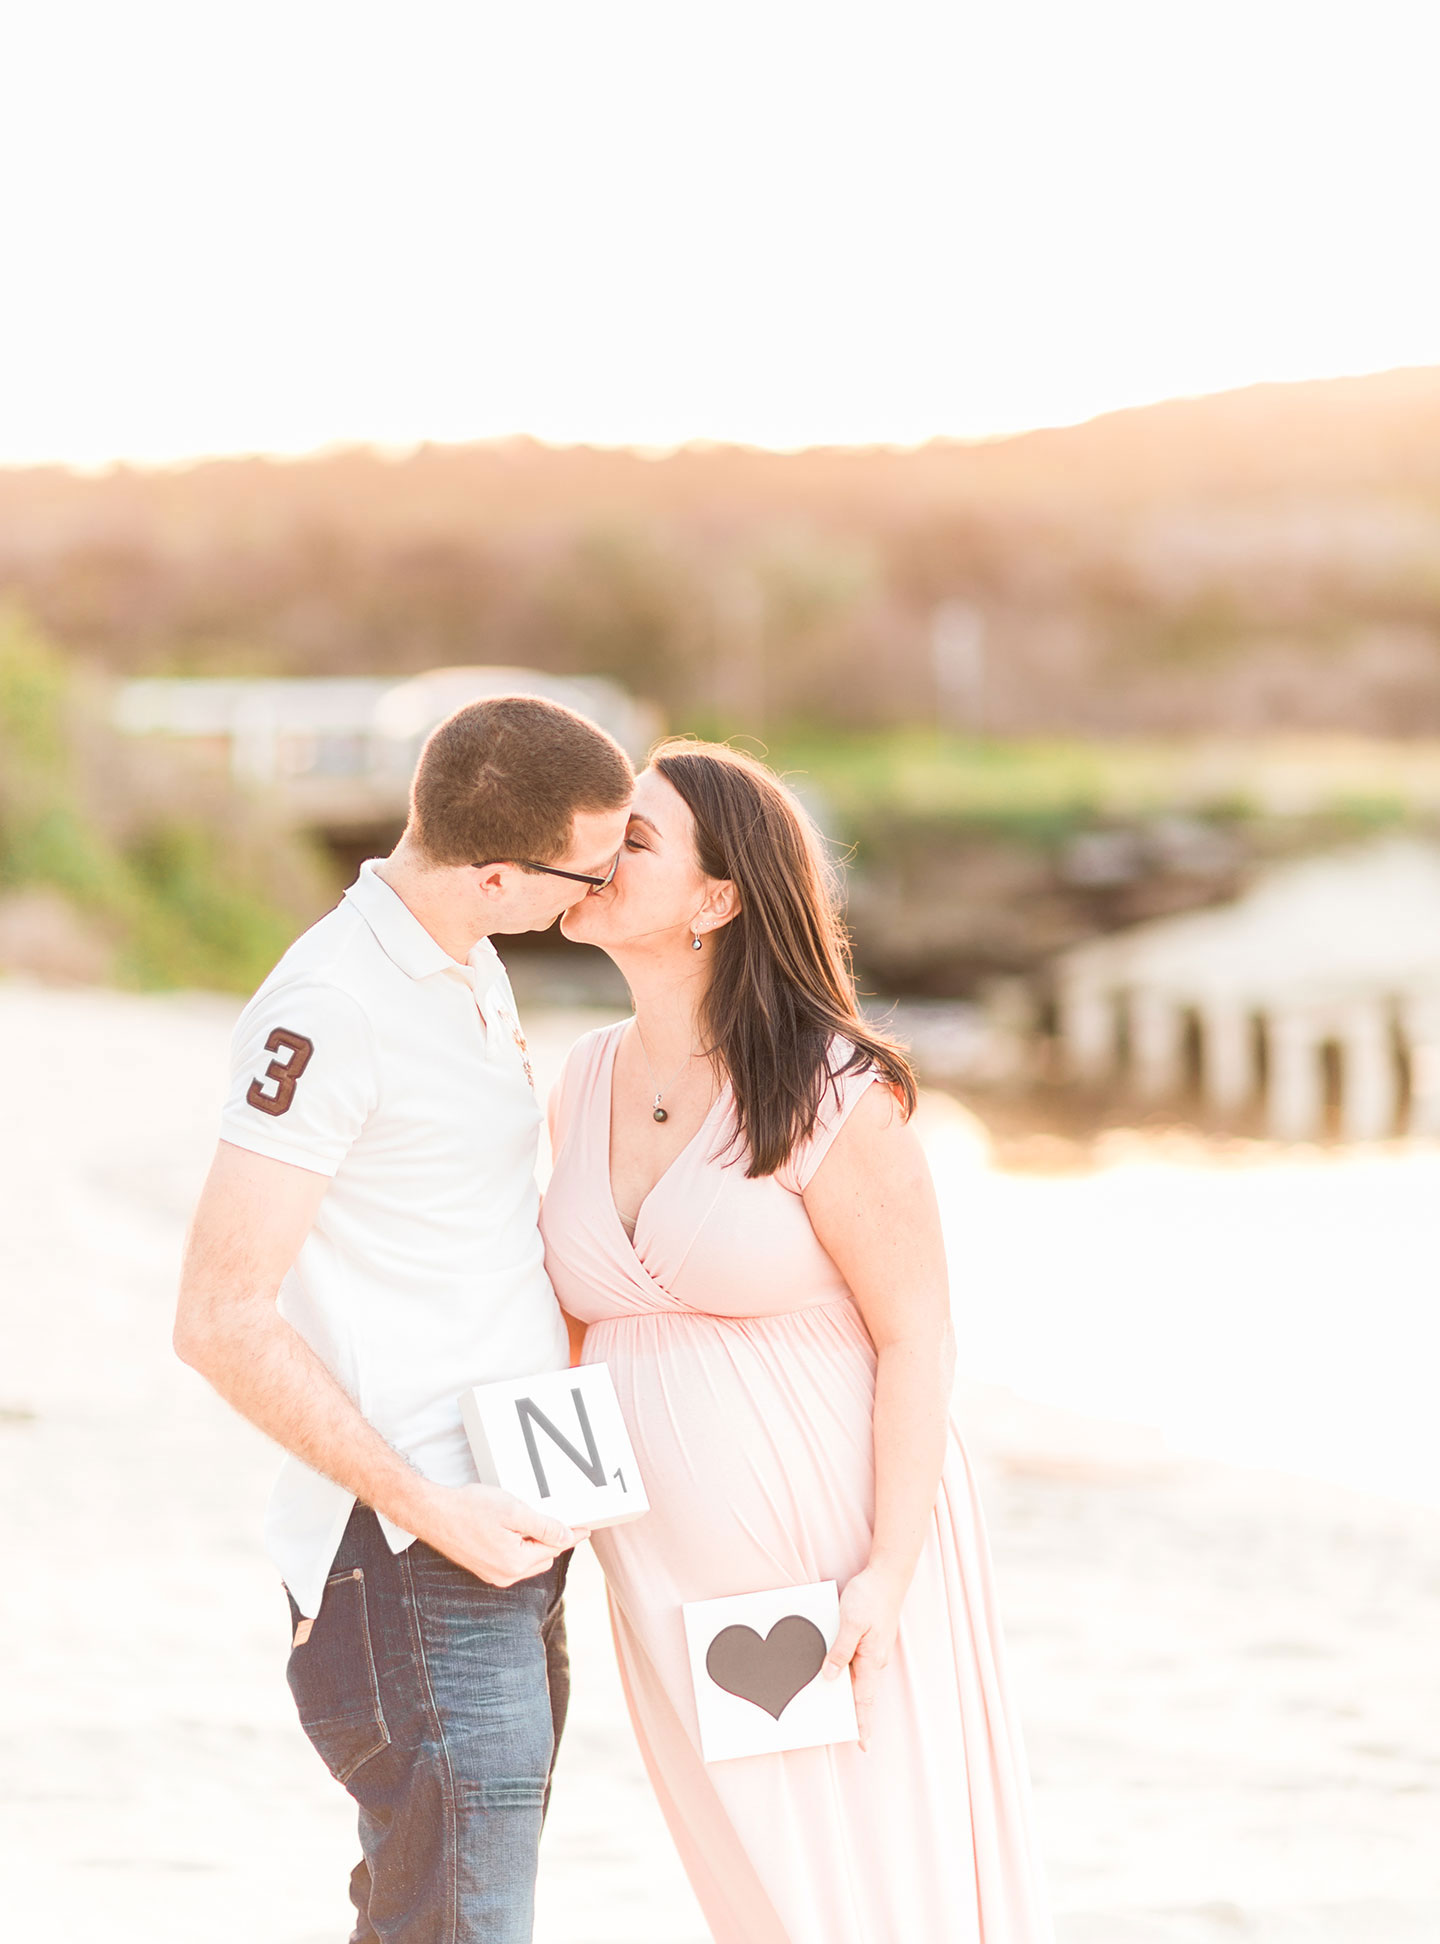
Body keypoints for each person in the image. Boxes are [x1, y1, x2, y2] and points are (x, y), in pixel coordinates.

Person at [540, 739, 1054, 1944]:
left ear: (716, 901)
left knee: (868, 1887)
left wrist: (883, 1572)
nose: (598, 853)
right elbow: (564, 1330)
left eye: (639, 839)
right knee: (755, 1889)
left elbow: (919, 1336)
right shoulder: (579, 1078)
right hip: (662, 1574)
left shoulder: (831, 1088)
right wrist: (557, 1519)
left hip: (831, 1555)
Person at [174, 694, 634, 1944]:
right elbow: (218, 1317)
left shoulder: (464, 960)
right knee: (465, 1921)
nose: (596, 897)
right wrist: (433, 1509)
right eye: (588, 873)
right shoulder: (328, 1007)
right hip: (414, 1544)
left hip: (506, 1514)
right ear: (498, 874)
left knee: (434, 1912)